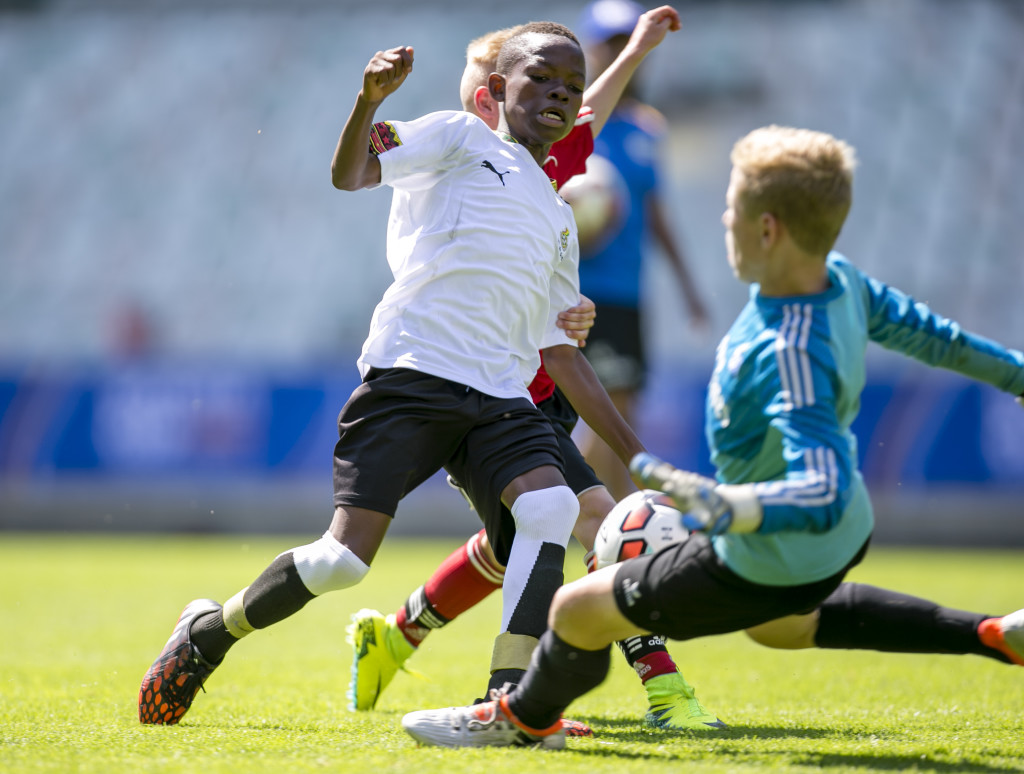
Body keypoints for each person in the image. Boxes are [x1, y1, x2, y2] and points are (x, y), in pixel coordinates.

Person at [399, 124, 1024, 749]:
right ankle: (992, 634)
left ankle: (522, 721)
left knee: (578, 610)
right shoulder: (842, 283)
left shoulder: (789, 350)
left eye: (732, 210)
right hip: (839, 540)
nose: (723, 220)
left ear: (767, 229)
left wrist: (725, 506)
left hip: (768, 546)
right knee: (781, 626)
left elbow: (821, 485)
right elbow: (935, 337)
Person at [138, 23, 644, 725]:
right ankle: (209, 633)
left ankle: (510, 701)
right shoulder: (458, 139)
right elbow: (352, 173)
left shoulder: (559, 218)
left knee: (551, 506)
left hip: (499, 399)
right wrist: (366, 103)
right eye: (542, 79)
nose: (559, 94)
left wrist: (636, 453)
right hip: (412, 377)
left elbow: (559, 355)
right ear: (497, 91)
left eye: (572, 86)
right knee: (343, 562)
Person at [347, 7, 725, 732]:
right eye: (493, 83)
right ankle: (662, 688)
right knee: (596, 522)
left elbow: (593, 107)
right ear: (489, 92)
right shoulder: (457, 162)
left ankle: (396, 636)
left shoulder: (547, 167)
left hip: (532, 389)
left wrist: (639, 49)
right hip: (490, 389)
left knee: (522, 539)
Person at [571, 0, 710, 502]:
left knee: (623, 415)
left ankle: (604, 524)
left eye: (623, 39)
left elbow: (656, 214)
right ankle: (587, 518)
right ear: (590, 47)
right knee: (610, 417)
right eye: (608, 40)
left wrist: (688, 288)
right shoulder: (576, 119)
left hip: (630, 290)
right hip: (582, 292)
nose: (616, 49)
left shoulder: (649, 128)